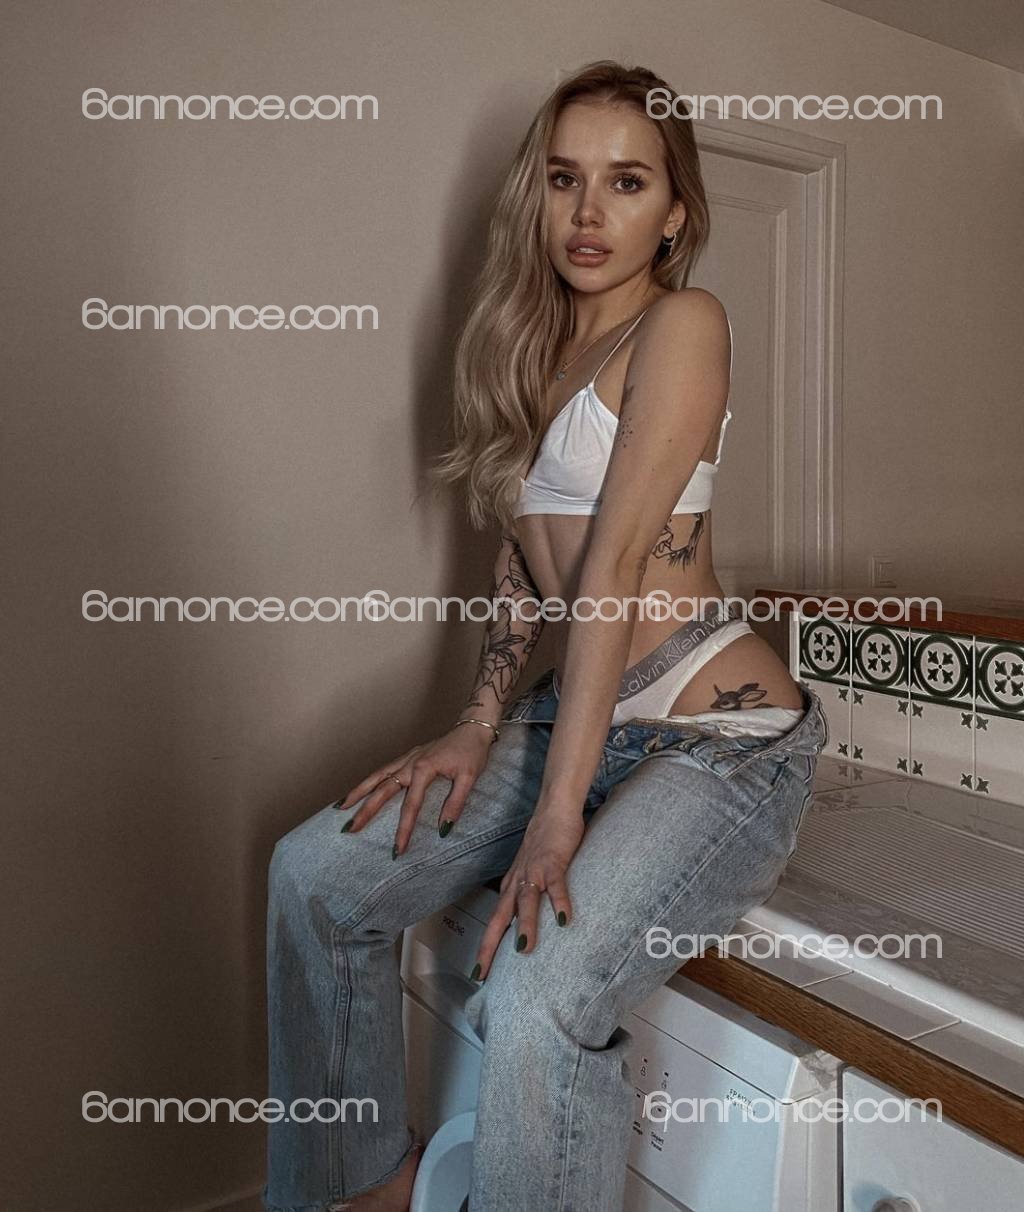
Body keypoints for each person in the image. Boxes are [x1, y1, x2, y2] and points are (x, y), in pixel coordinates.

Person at [262, 59, 827, 1212]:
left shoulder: (683, 324)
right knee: (313, 877)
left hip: (717, 740)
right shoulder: (527, 346)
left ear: (675, 213)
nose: (587, 212)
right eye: (565, 178)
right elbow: (528, 559)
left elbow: (610, 569)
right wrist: (476, 728)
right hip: (579, 714)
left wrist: (556, 817)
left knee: (536, 988)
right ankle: (367, 1186)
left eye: (626, 182)